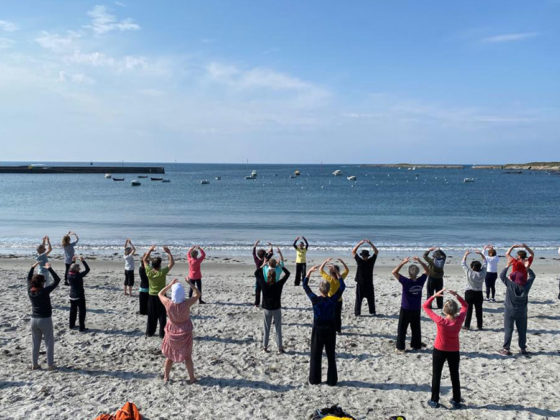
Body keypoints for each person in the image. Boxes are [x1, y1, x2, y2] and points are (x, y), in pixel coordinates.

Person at [423, 288, 468, 409]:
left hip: (440, 349)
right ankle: (456, 399)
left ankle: (434, 400)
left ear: (444, 310)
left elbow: (426, 306)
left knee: (436, 375)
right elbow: (465, 305)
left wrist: (434, 296)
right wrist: (457, 295)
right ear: (455, 310)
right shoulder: (459, 319)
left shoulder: (440, 321)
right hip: (454, 351)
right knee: (455, 375)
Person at [303, 265, 346, 386]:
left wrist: (309, 272)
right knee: (330, 354)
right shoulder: (332, 300)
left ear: (320, 290)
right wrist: (337, 273)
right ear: (328, 290)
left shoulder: (315, 299)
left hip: (318, 329)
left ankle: (315, 379)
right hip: (330, 329)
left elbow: (305, 286)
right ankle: (332, 380)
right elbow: (342, 286)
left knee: (316, 354)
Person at [158, 278, 199, 383]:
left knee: (170, 356)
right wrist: (190, 283)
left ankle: (166, 377)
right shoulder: (186, 304)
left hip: (172, 331)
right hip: (185, 332)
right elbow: (198, 294)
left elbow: (160, 293)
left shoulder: (168, 303)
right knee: (188, 357)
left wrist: (169, 284)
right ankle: (192, 378)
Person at [27, 262, 61, 370]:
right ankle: (50, 365)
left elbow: (28, 279)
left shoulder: (30, 291)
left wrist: (32, 267)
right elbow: (57, 280)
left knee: (35, 343)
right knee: (49, 343)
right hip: (45, 319)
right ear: (42, 283)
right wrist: (49, 268)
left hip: (33, 320)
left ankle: (34, 364)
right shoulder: (44, 291)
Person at [391, 257, 429, 353]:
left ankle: (400, 347)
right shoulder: (421, 280)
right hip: (416, 308)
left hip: (406, 308)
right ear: (417, 273)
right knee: (416, 328)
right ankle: (416, 345)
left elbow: (394, 272)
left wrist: (403, 262)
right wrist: (420, 261)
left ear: (409, 273)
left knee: (402, 329)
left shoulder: (406, 281)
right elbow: (428, 270)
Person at [498, 266, 536, 356]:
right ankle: (523, 348)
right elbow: (532, 276)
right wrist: (527, 268)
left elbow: (502, 276)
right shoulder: (526, 285)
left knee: (508, 330)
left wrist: (507, 266)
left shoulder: (510, 284)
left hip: (509, 311)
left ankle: (506, 349)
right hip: (522, 312)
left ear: (514, 278)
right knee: (522, 331)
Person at [256, 261, 290, 353]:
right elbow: (288, 274)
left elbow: (256, 273)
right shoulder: (279, 284)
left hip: (267, 309)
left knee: (266, 328)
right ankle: (280, 348)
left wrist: (263, 265)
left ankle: (265, 347)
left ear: (267, 275)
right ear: (275, 276)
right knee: (278, 329)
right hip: (276, 308)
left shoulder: (264, 284)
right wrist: (280, 266)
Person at [143, 245, 175, 338]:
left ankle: (150, 332)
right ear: (160, 265)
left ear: (152, 265)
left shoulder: (149, 271)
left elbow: (144, 260)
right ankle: (162, 334)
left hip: (152, 296)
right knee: (162, 315)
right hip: (162, 296)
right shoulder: (162, 272)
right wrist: (169, 253)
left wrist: (150, 250)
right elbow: (172, 263)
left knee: (151, 315)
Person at [320, 258, 349, 334]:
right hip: (339, 300)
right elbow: (347, 270)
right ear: (338, 271)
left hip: (330, 300)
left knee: (330, 315)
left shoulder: (329, 278)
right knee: (338, 316)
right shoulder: (341, 278)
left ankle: (331, 328)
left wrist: (325, 261)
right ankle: (338, 330)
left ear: (330, 272)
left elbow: (320, 270)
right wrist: (342, 262)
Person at [352, 239, 379, 316]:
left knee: (360, 299)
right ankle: (371, 312)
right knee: (368, 299)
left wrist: (359, 243)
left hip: (363, 284)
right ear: (367, 256)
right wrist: (370, 243)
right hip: (366, 283)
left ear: (362, 256)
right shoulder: (370, 261)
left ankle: (359, 313)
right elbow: (376, 252)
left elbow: (353, 251)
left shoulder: (360, 261)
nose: (364, 257)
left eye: (364, 256)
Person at [461, 250, 487, 330]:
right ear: (480, 267)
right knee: (479, 310)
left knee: (469, 310)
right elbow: (485, 263)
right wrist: (481, 254)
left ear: (472, 267)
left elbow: (463, 263)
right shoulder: (483, 273)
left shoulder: (469, 272)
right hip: (479, 293)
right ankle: (479, 326)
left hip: (469, 293)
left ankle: (467, 325)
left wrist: (465, 255)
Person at [67, 256, 91, 332]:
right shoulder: (78, 275)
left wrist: (73, 261)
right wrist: (83, 261)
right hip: (79, 296)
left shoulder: (69, 274)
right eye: (78, 268)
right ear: (76, 269)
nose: (80, 269)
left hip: (72, 295)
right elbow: (88, 269)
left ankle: (71, 325)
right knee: (82, 311)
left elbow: (70, 268)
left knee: (72, 311)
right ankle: (81, 327)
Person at [252, 240, 273, 306]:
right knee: (265, 291)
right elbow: (271, 253)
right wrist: (271, 246)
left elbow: (253, 253)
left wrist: (255, 244)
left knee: (257, 291)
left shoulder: (257, 260)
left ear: (258, 255)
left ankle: (256, 303)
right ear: (264, 255)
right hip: (264, 277)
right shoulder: (266, 259)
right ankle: (264, 303)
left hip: (258, 277)